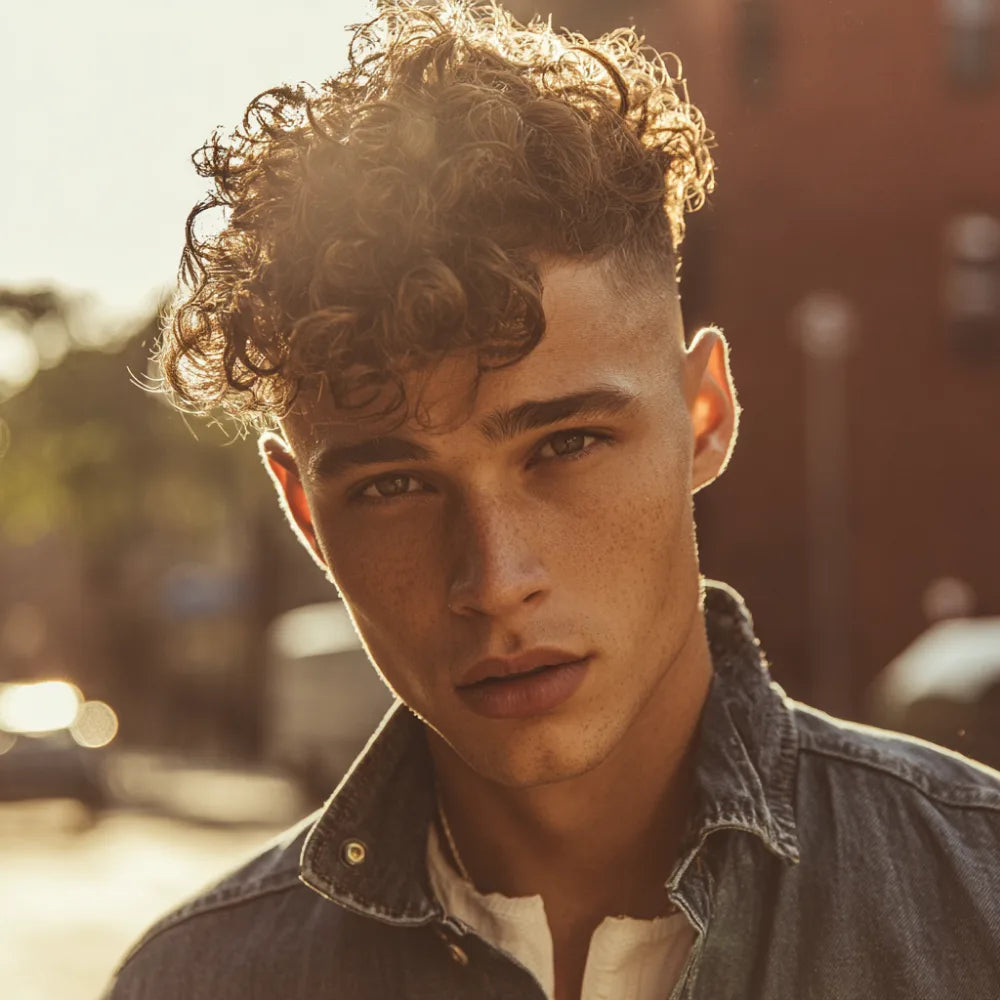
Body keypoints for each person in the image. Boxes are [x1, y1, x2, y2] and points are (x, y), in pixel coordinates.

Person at [104, 2, 1000, 998]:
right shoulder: (194, 982)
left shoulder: (978, 907)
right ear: (307, 515)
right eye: (393, 485)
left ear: (702, 415)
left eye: (565, 443)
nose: (494, 580)